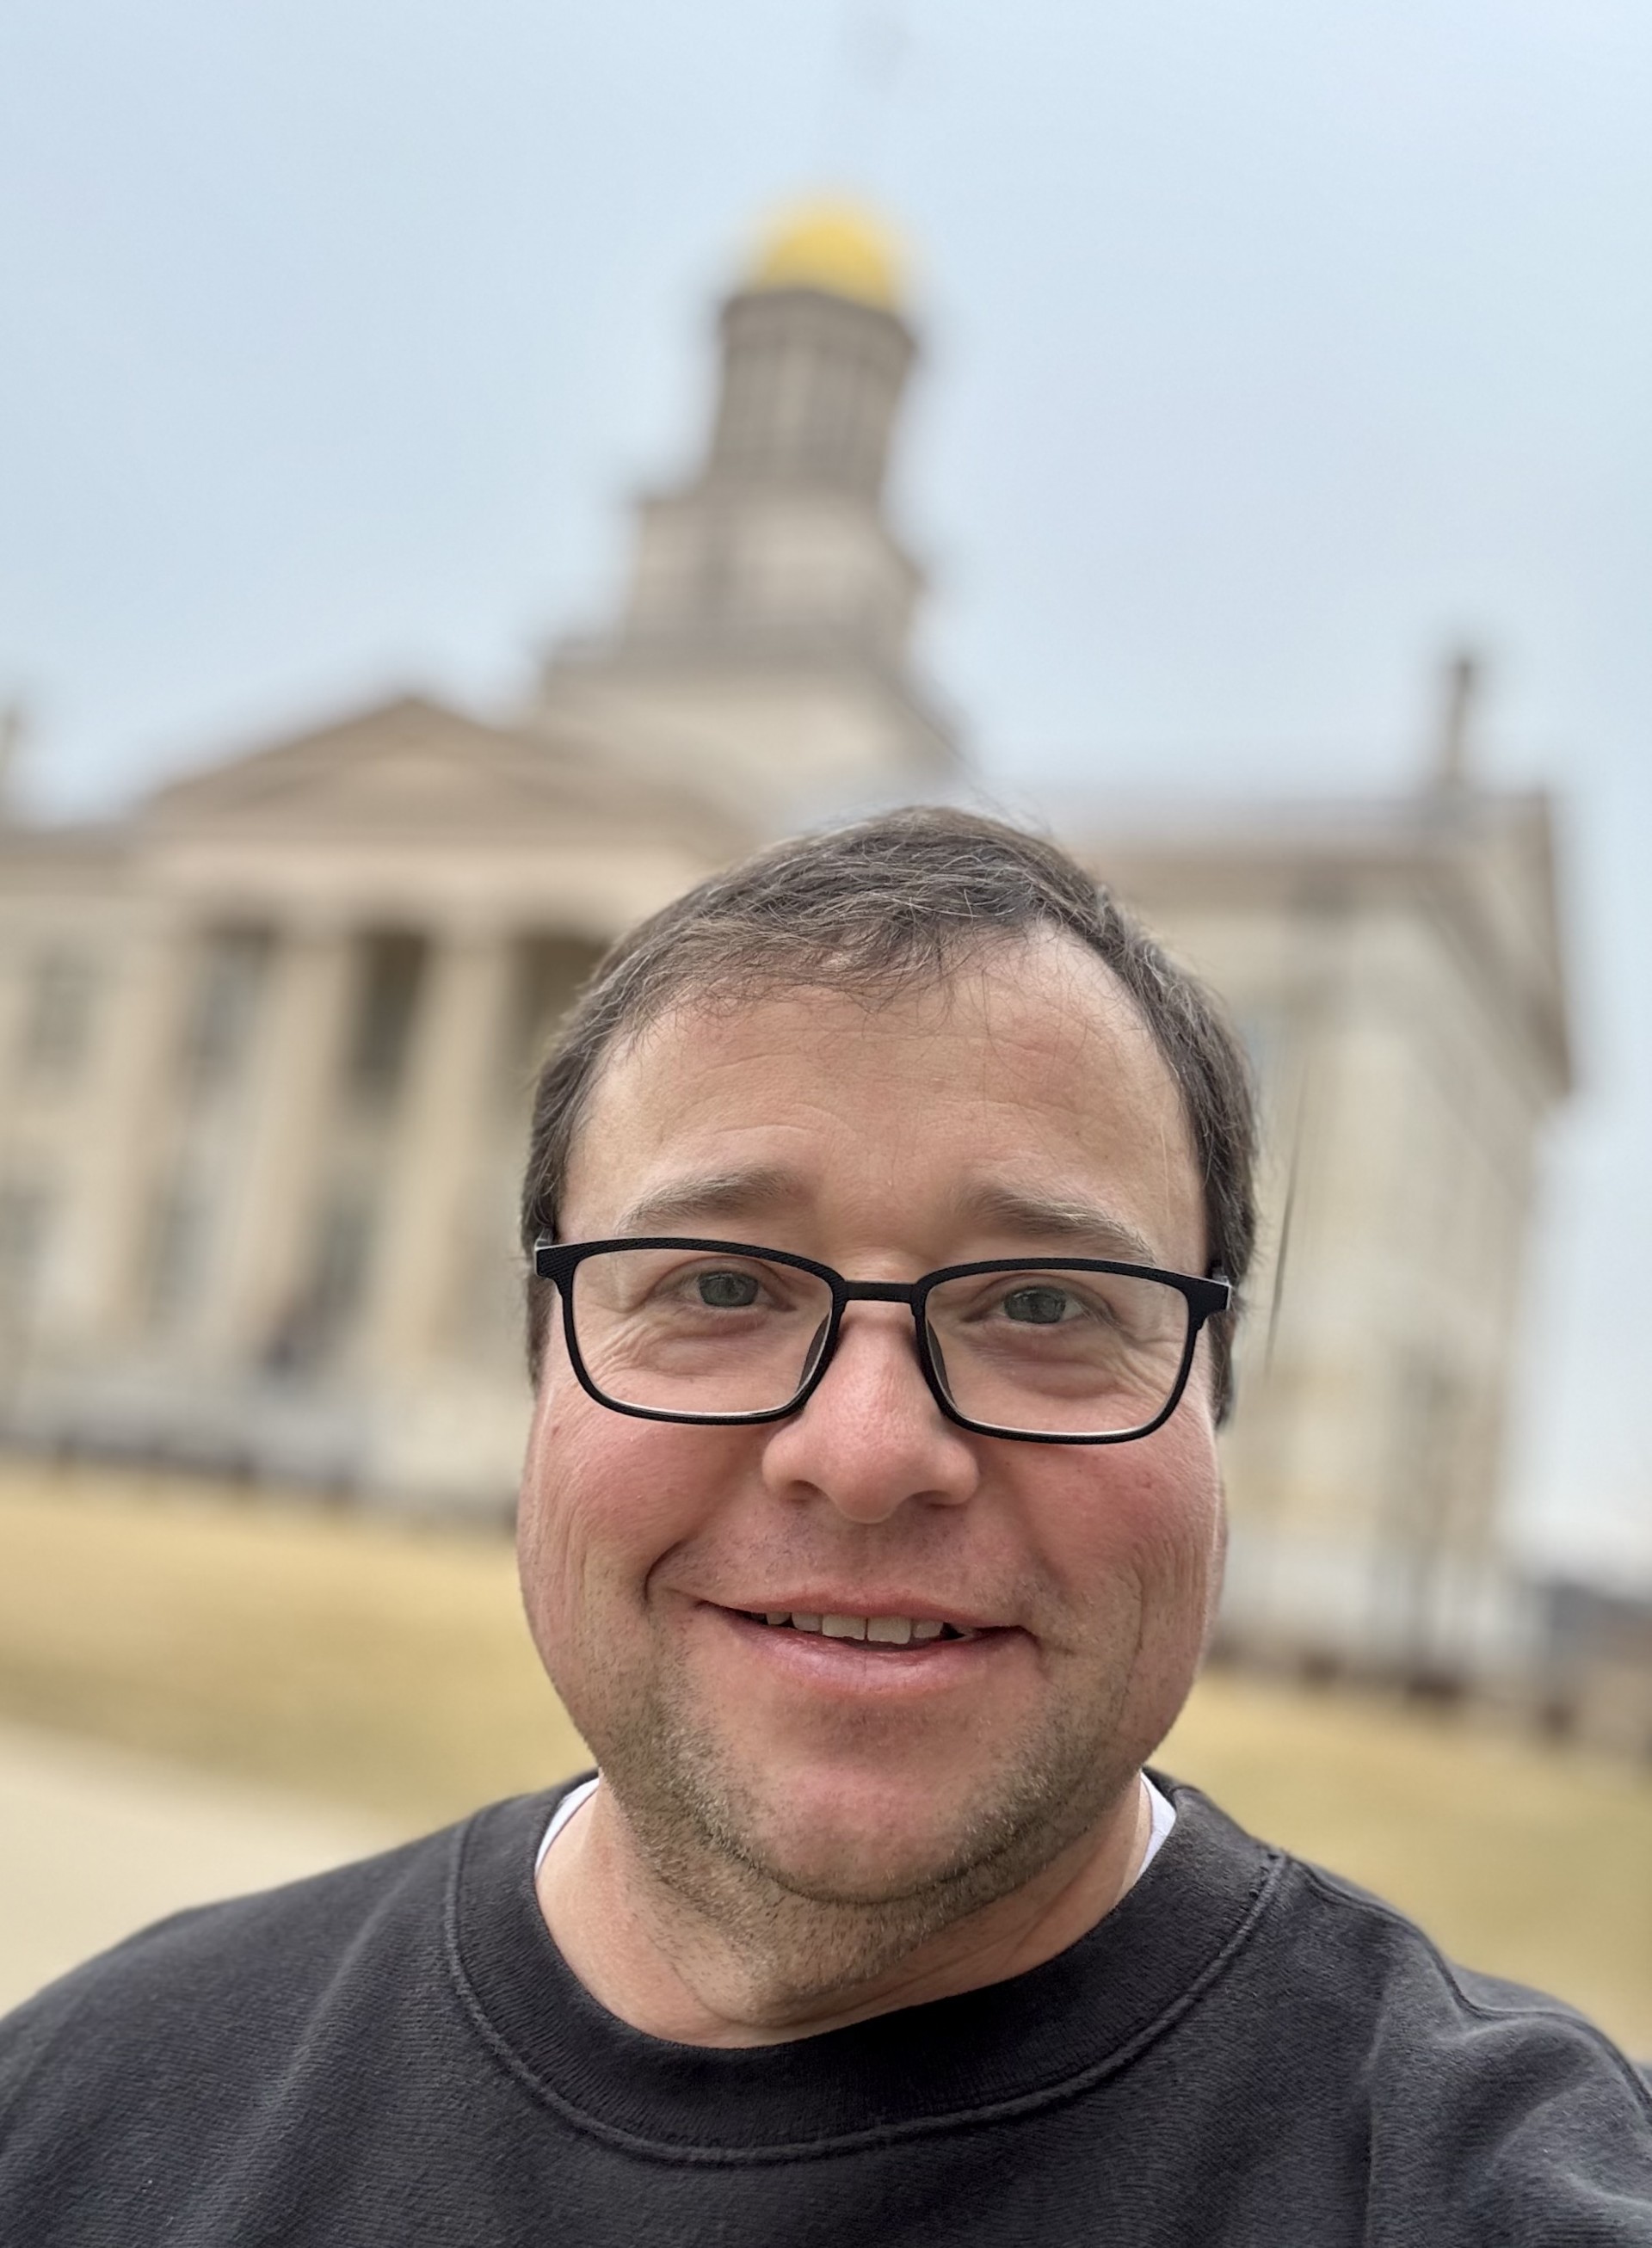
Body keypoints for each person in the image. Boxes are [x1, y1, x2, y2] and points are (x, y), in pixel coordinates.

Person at [2, 807, 1648, 2245]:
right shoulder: (77, 2119)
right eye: (718, 1285)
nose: (864, 1452)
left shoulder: (1513, 2191)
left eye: (1046, 1301)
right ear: (538, 1363)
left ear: (1217, 1388)